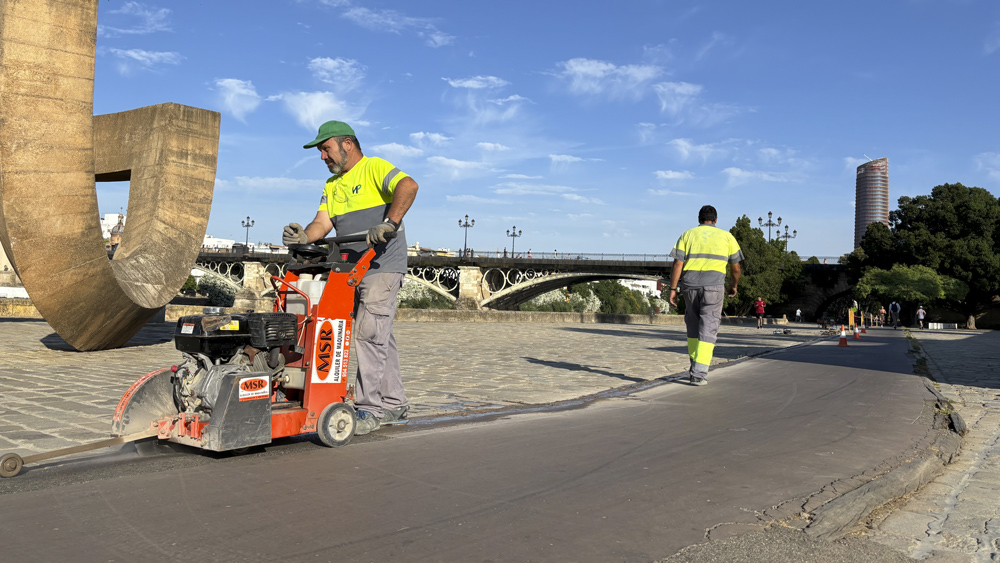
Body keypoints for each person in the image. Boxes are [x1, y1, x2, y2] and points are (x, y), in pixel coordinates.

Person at [282, 120, 418, 436]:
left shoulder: (374, 168)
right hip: (348, 269)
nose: (322, 157)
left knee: (369, 333)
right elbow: (322, 223)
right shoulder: (332, 186)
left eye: (325, 149)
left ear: (347, 144)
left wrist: (390, 223)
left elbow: (408, 186)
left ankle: (369, 409)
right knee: (379, 334)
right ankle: (394, 404)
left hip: (381, 264)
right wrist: (303, 235)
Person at [667, 205, 743, 386]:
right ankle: (698, 374)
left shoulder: (687, 235)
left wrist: (672, 289)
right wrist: (733, 285)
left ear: (699, 219)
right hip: (714, 287)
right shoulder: (727, 237)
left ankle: (695, 365)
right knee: (708, 327)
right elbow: (736, 268)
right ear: (715, 220)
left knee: (693, 325)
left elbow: (678, 264)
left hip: (690, 286)